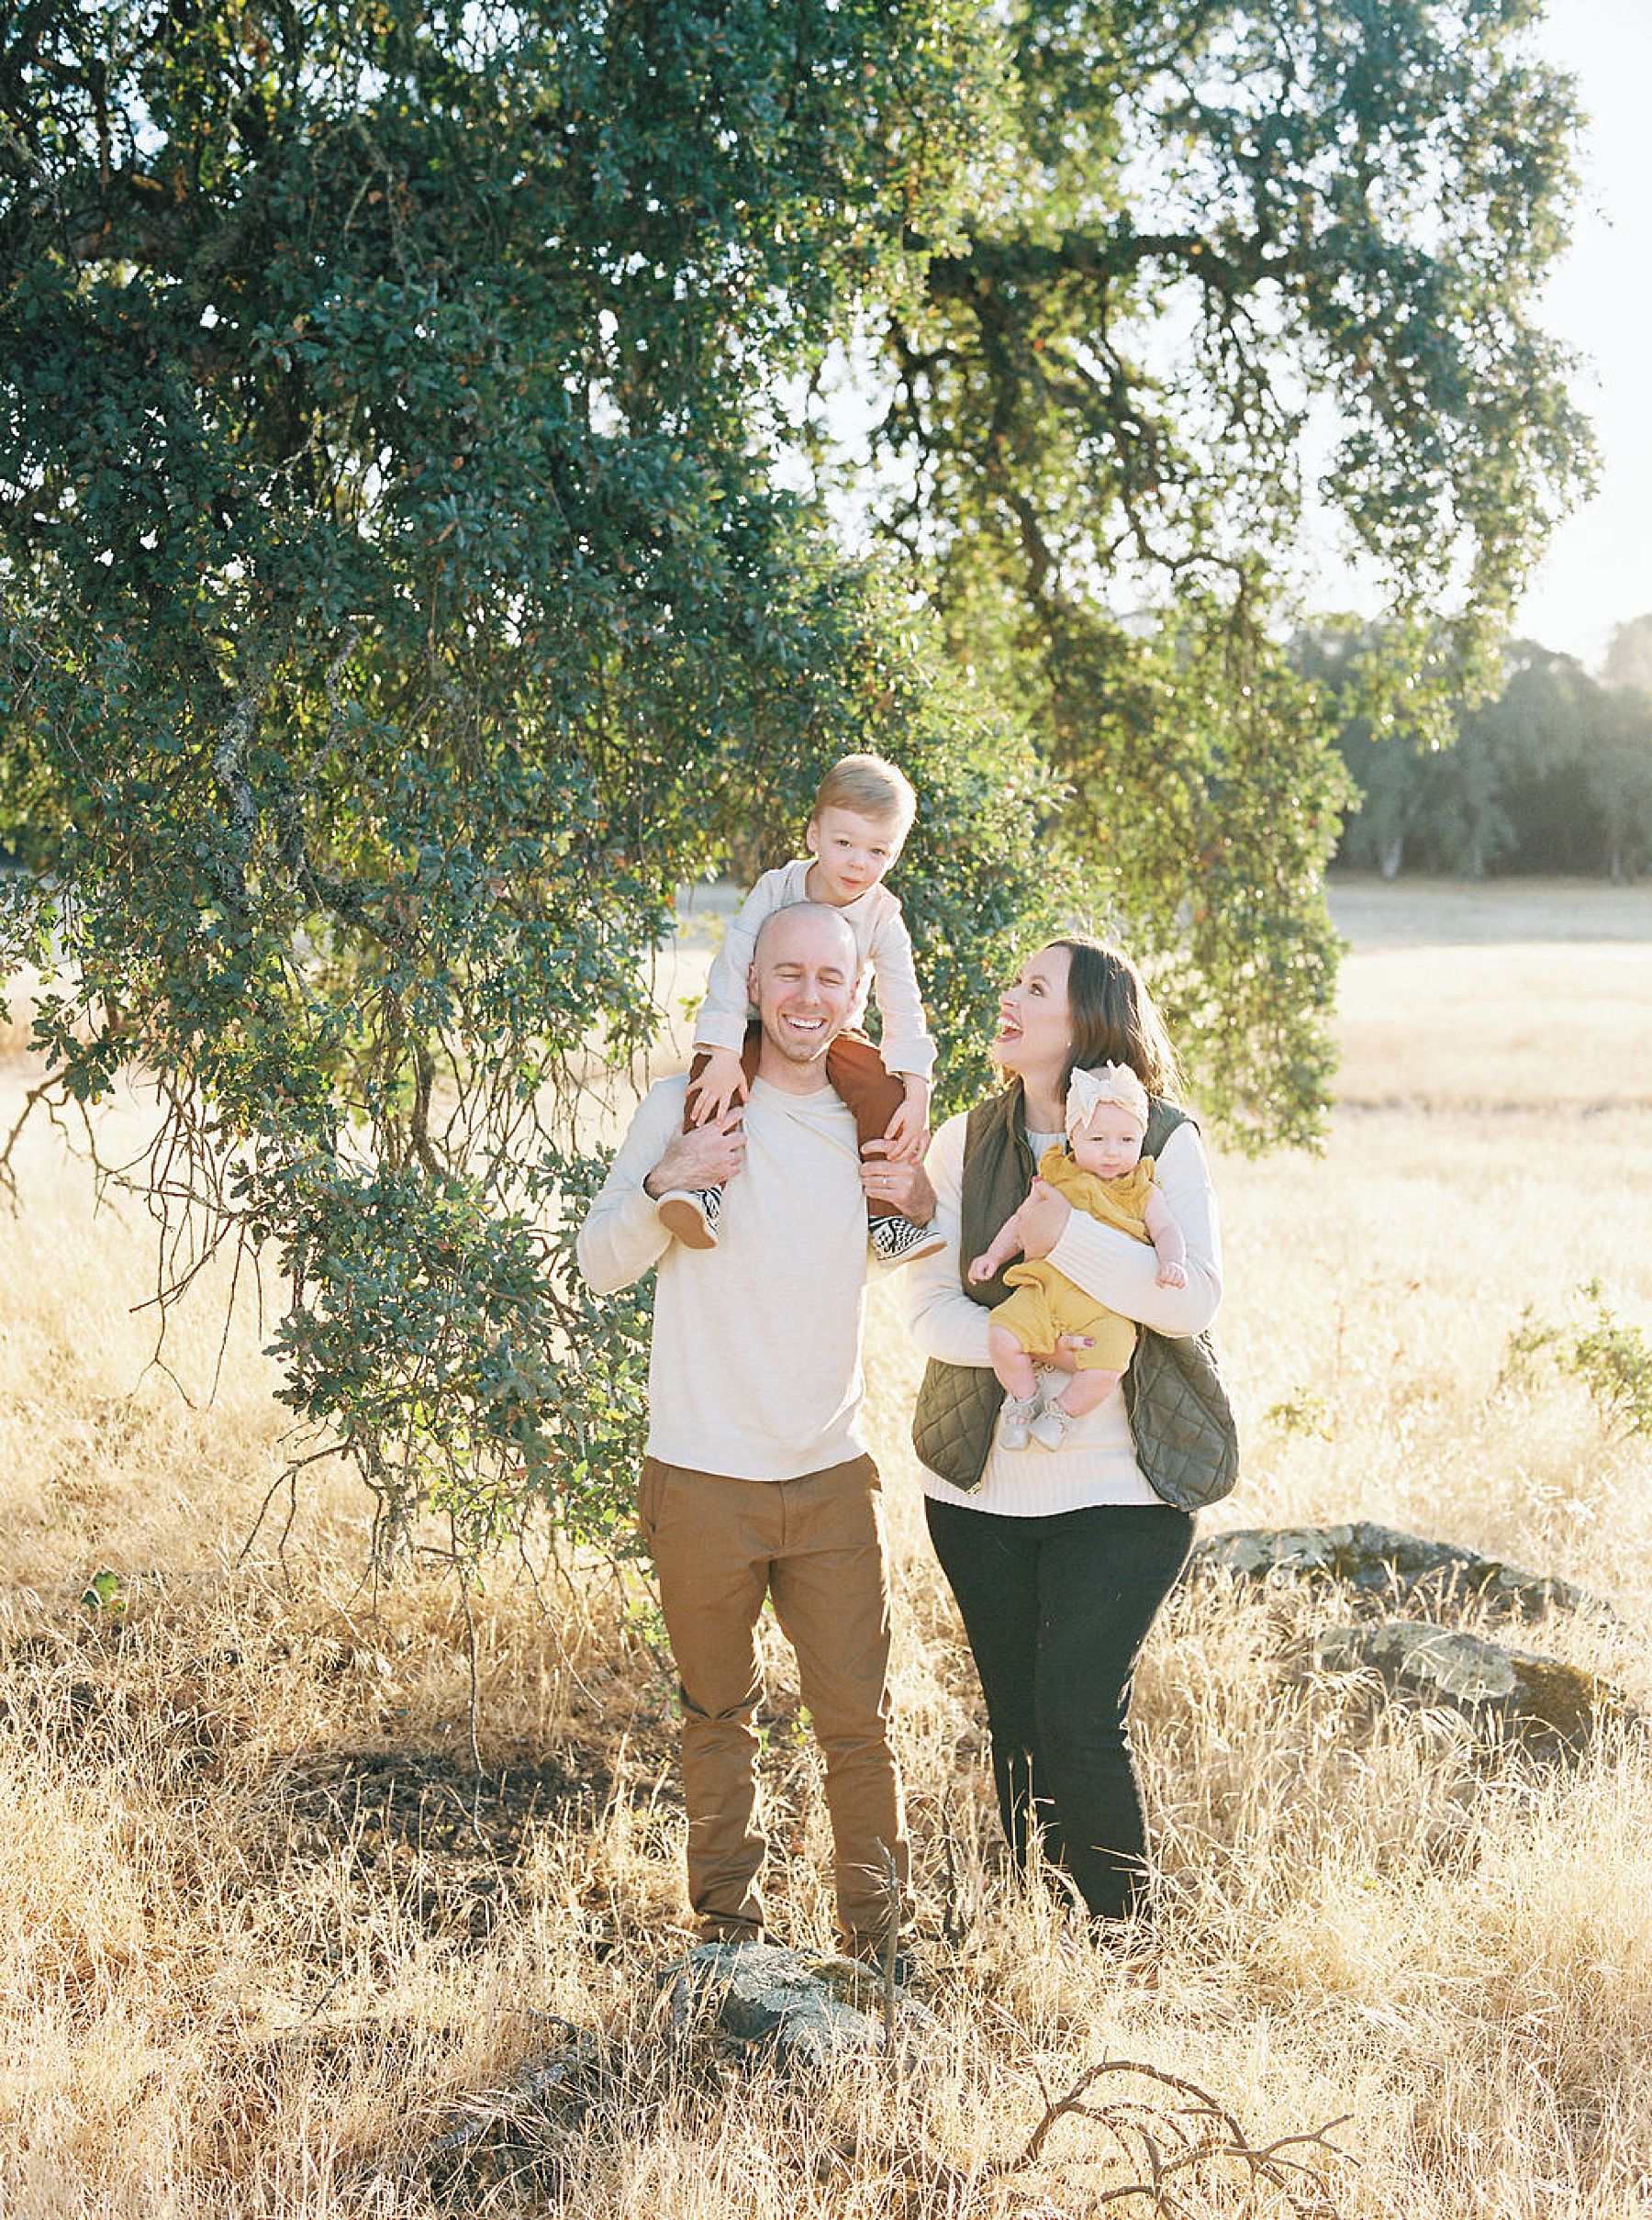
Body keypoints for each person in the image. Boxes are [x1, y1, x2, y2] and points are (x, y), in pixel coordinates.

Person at [577, 901, 927, 1960]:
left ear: (859, 991)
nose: (810, 997)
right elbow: (601, 1264)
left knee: (858, 1730)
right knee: (715, 1718)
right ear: (753, 986)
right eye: (789, 975)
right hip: (702, 1475)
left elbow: (881, 1250)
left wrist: (914, 1203)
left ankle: (879, 1946)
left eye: (833, 977)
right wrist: (665, 1180)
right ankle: (729, 1942)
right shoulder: (684, 1105)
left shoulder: (871, 1121)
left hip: (829, 1474)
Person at [904, 938, 1222, 1939]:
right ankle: (1042, 1947)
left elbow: (1192, 1301)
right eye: (1013, 981)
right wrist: (1038, 1361)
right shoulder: (965, 1139)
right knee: (1016, 1726)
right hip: (979, 1489)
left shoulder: (1165, 1139)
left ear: (1087, 1023)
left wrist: (1062, 1238)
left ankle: (1130, 1947)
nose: (1007, 998)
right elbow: (926, 1311)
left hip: (1127, 1490)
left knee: (1078, 1718)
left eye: (1033, 989)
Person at [654, 753, 941, 1264]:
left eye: (879, 851)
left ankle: (888, 1219)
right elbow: (733, 960)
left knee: (883, 1093)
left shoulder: (883, 916)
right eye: (844, 843)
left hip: (834, 1032)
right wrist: (721, 1049)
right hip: (751, 1020)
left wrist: (918, 1087)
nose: (858, 863)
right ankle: (700, 1189)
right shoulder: (777, 887)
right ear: (814, 835)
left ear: (895, 854)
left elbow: (903, 1005)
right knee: (715, 1080)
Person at [968, 1059, 1188, 1451]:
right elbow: (1022, 1222)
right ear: (1072, 1135)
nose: (1112, 1153)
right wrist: (994, 1255)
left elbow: (1167, 1229)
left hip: (1103, 1306)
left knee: (1110, 1361)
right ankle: (1023, 1398)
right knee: (1002, 1334)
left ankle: (1061, 1413)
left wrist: (1172, 1260)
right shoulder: (1056, 1177)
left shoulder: (1141, 1189)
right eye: (1097, 1140)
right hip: (1044, 1291)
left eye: (1126, 1141)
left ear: (1142, 1137)